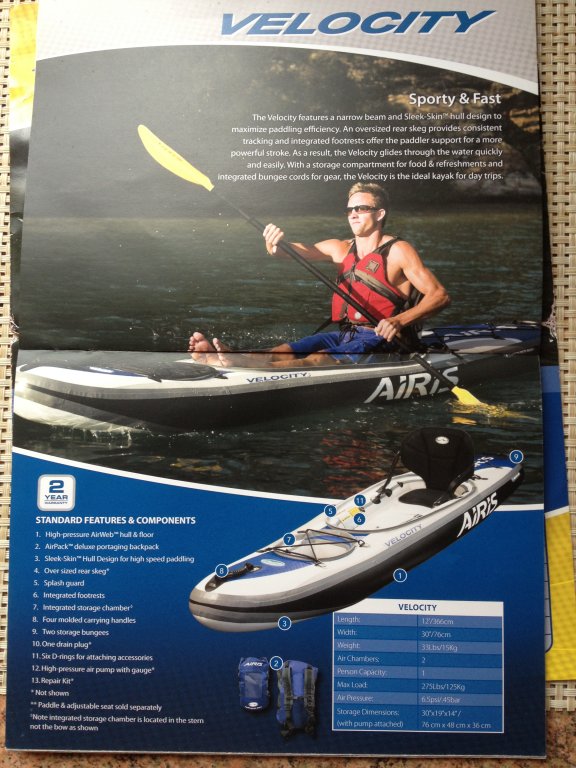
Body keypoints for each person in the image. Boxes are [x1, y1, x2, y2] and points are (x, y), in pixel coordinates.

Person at [188, 182, 450, 367]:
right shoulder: (340, 248)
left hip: (383, 341)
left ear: (380, 214)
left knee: (318, 359)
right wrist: (274, 245)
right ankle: (234, 358)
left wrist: (398, 321)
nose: (353, 214)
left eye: (361, 208)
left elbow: (439, 296)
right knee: (286, 350)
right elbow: (293, 251)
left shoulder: (398, 251)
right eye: (350, 210)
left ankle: (248, 368)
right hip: (347, 334)